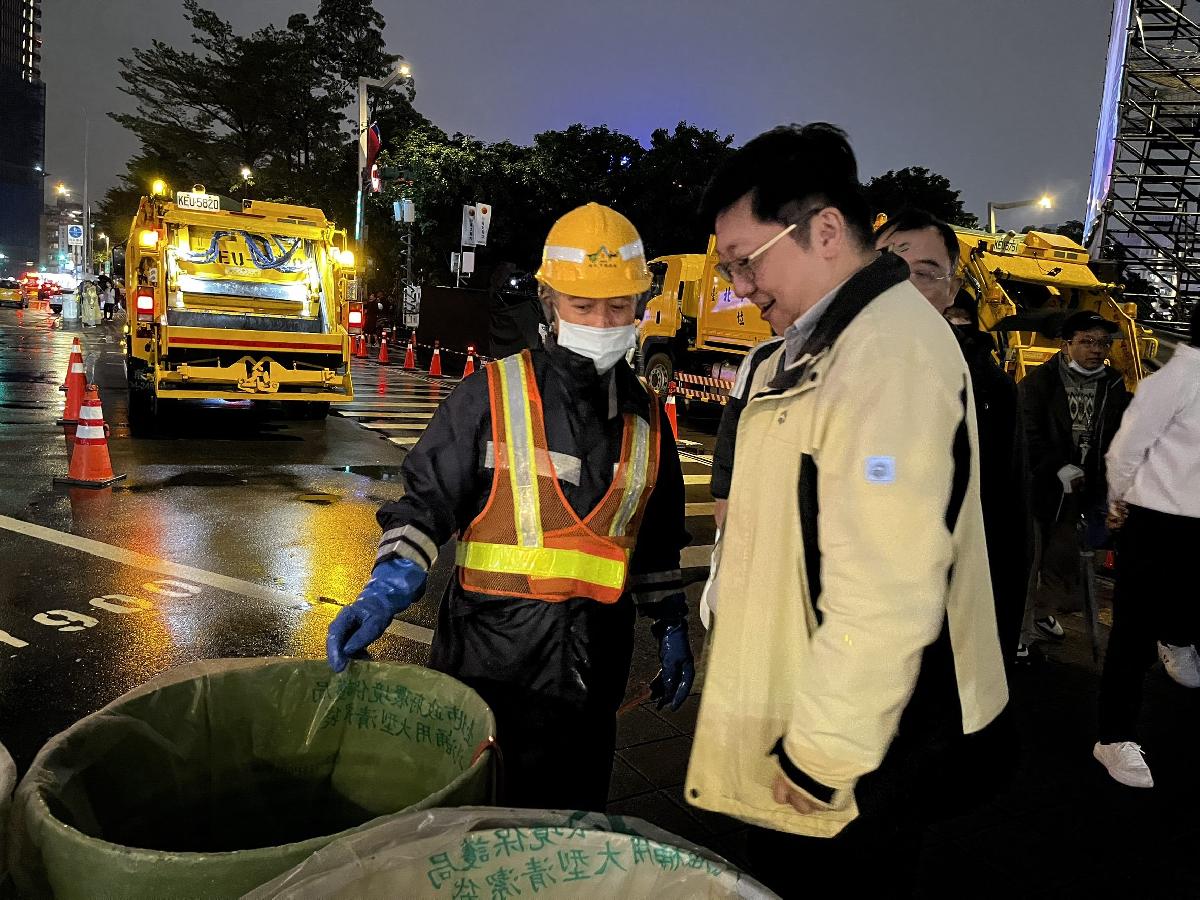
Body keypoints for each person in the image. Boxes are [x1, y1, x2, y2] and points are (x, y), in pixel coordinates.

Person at [684, 124, 1010, 896]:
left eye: (746, 262)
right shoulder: (815, 347)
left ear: (825, 230)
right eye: (729, 268)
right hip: (811, 703)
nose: (739, 287)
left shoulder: (887, 356)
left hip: (866, 746)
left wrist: (819, 756)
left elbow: (889, 586)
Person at [326, 203, 694, 811]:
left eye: (617, 306)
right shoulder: (490, 397)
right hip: (486, 674)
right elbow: (424, 507)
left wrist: (671, 623)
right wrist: (386, 587)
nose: (602, 322)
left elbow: (653, 544)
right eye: (583, 305)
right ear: (549, 303)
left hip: (590, 684)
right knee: (475, 827)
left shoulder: (649, 422)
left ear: (639, 307)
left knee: (565, 831)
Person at [874, 210, 1026, 666]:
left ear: (952, 290)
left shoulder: (987, 390)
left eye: (924, 273)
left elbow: (1005, 527)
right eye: (887, 267)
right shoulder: (813, 373)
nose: (903, 286)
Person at [1093, 302, 1200, 788]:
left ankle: (1176, 637)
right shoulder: (1173, 380)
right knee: (1132, 633)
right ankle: (1113, 736)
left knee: (1182, 607)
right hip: (1158, 522)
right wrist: (1118, 499)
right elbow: (1125, 450)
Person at [1018, 310, 1129, 656]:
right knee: (1031, 561)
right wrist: (1056, 467)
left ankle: (1042, 613)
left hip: (1085, 491)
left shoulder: (1113, 385)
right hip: (1041, 490)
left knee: (1065, 561)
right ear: (1066, 345)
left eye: (1103, 343)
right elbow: (1027, 432)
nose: (1096, 349)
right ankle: (1020, 630)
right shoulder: (1039, 383)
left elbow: (1119, 436)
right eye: (1087, 341)